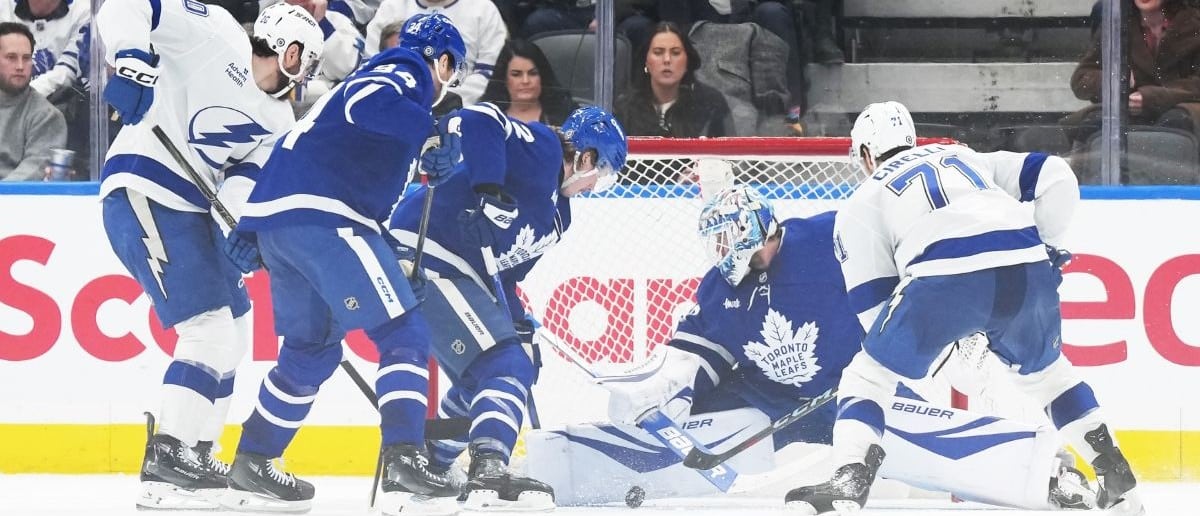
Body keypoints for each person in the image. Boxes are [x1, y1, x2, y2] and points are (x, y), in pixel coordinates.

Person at [523, 185, 1096, 511]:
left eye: (734, 241)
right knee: (690, 436)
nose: (726, 255)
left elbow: (923, 254)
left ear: (764, 230)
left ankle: (1047, 472)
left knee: (912, 438)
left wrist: (1011, 262)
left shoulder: (832, 237)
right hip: (761, 410)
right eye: (716, 243)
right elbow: (690, 361)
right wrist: (667, 401)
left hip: (850, 397)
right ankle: (563, 466)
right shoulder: (721, 285)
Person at [788, 101, 1143, 515]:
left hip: (945, 274)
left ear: (866, 154)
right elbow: (1056, 175)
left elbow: (875, 315)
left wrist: (938, 353)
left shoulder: (861, 202)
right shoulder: (962, 155)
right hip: (1025, 262)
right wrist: (1047, 247)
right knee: (1049, 379)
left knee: (868, 376)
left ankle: (849, 479)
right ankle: (1116, 475)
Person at [224, 13, 468, 515]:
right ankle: (405, 456)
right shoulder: (406, 69)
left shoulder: (378, 82)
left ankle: (254, 458)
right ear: (441, 59)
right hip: (328, 219)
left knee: (311, 351)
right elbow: (368, 105)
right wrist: (432, 129)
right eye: (453, 70)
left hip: (285, 223)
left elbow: (308, 145)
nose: (448, 83)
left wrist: (252, 224)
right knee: (404, 334)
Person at [94, 0, 323, 508]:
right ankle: (168, 458)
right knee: (209, 330)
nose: (305, 74)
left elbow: (242, 185)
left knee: (236, 328)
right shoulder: (214, 31)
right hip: (143, 188)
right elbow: (128, 5)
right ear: (291, 52)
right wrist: (132, 60)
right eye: (305, 61)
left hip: (191, 211)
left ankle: (196, 449)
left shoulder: (280, 121)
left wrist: (242, 232)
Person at [386, 102, 627, 511]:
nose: (593, 187)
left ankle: (434, 463)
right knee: (505, 363)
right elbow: (480, 118)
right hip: (423, 256)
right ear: (585, 157)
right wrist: (488, 188)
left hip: (463, 274)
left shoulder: (559, 217)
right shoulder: (545, 149)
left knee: (517, 361)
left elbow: (507, 274)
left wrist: (516, 316)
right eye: (599, 175)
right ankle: (490, 467)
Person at [1064, 0, 1200, 150]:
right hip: (1133, 110)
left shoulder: (1194, 21)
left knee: (1176, 122)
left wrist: (1152, 97)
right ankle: (1084, 171)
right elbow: (1081, 79)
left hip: (1185, 107)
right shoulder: (1118, 23)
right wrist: (1119, 78)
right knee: (1097, 121)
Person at [364, 0, 507, 107]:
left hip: (462, 109)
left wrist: (442, 98)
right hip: (395, 105)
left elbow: (489, 75)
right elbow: (370, 67)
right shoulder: (391, 7)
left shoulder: (483, 9)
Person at [614, 22, 730, 140]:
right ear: (646, 62)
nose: (667, 60)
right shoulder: (625, 108)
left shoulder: (711, 104)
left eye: (675, 53)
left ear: (687, 61)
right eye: (658, 52)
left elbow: (729, 155)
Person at [0, 21, 65, 181]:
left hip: (12, 202)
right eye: (11, 58)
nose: (20, 66)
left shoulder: (47, 116)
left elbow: (32, 172)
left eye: (27, 58)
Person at [0, 0, 90, 99]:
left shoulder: (84, 11)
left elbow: (67, 72)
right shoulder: (3, 6)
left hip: (60, 104)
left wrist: (24, 96)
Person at [480, 39, 578, 126]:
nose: (525, 81)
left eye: (533, 73)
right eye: (516, 74)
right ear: (504, 79)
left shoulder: (568, 117)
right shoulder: (486, 119)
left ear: (542, 77)